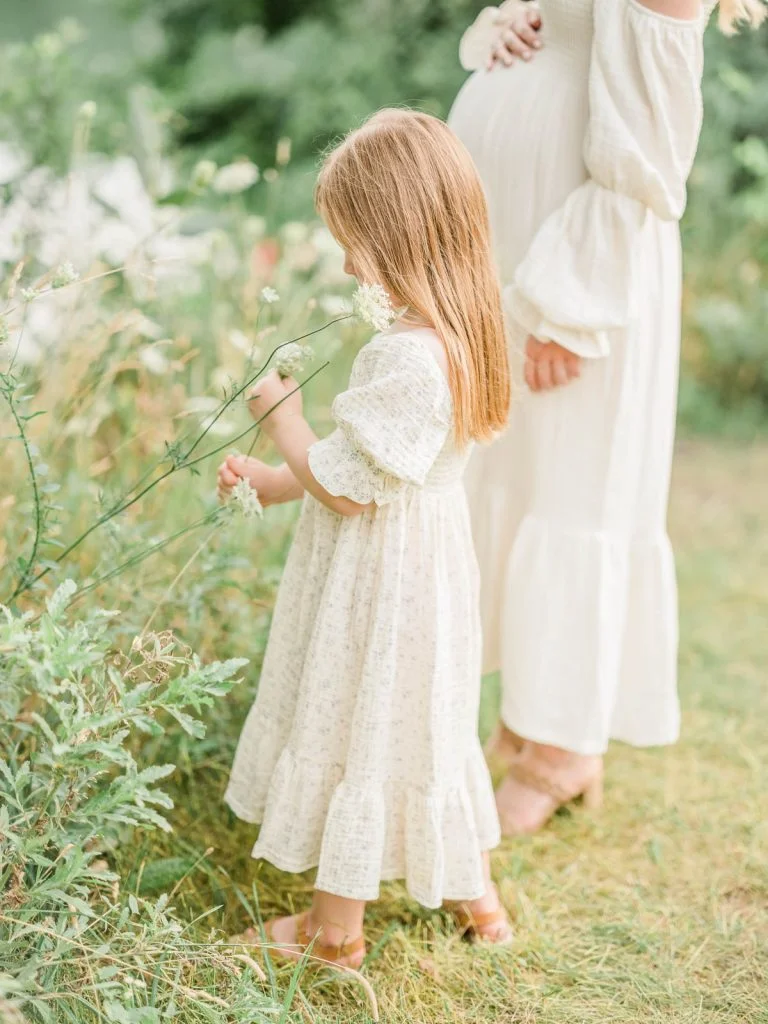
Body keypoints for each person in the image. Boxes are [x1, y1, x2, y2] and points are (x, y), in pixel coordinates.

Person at [448, 0, 765, 836]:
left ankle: (562, 751)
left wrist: (570, 307)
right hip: (522, 243)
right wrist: (514, 24)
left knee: (572, 483)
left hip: (581, 274)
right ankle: (526, 719)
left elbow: (647, 152)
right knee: (517, 473)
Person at [218, 109, 513, 966]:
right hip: (431, 574)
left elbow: (348, 493)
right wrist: (275, 483)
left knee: (364, 725)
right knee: (428, 726)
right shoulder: (459, 336)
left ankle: (332, 931)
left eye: (354, 241)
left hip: (382, 587)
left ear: (399, 233)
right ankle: (478, 900)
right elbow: (358, 470)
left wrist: (281, 425)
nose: (347, 262)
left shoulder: (404, 359)